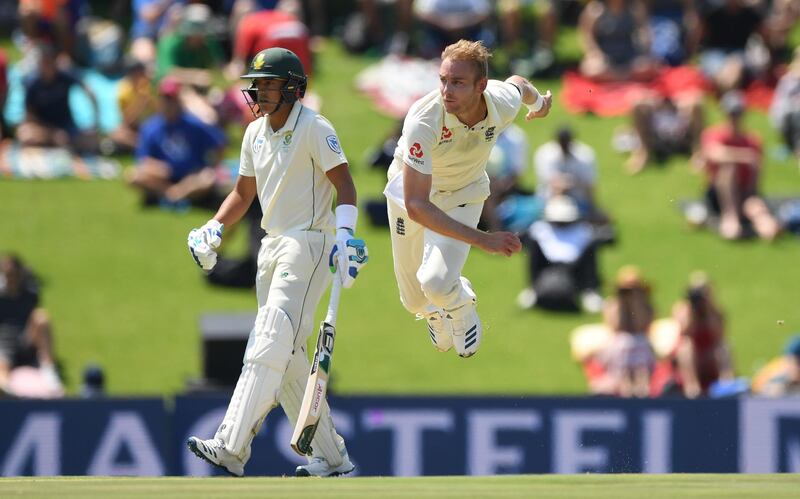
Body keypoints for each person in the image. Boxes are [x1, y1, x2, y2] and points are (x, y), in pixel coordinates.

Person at [185, 48, 368, 478]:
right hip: (271, 248)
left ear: (291, 87)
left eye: (268, 84)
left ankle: (231, 445)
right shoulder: (253, 134)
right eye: (258, 84)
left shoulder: (315, 127)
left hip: (309, 244)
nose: (259, 91)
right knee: (286, 360)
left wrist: (345, 238)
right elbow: (242, 194)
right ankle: (334, 459)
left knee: (270, 335)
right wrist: (214, 227)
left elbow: (346, 186)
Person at [384, 39, 552, 358]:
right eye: (443, 80)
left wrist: (538, 106)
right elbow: (418, 206)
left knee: (434, 281)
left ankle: (460, 308)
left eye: (458, 83)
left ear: (482, 86)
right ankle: (436, 312)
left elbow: (519, 84)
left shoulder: (499, 103)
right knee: (414, 301)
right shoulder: (424, 120)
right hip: (411, 197)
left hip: (464, 194)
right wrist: (484, 240)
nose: (447, 91)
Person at [127, 76, 227, 209]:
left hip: (191, 176)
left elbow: (220, 143)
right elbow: (143, 160)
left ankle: (171, 196)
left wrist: (213, 165)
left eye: (171, 100)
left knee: (208, 178)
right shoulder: (150, 127)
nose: (168, 104)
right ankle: (175, 195)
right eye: (165, 99)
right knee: (133, 176)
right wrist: (165, 169)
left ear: (178, 101)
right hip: (162, 178)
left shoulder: (194, 123)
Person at [697, 90, 780, 240]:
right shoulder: (714, 134)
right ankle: (731, 216)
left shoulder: (752, 140)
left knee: (757, 210)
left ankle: (764, 224)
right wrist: (743, 156)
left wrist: (752, 195)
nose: (734, 118)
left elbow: (756, 172)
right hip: (718, 192)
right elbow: (714, 154)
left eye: (737, 113)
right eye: (732, 113)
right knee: (730, 166)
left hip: (744, 190)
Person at [517, 195, 603, 313]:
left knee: (590, 250)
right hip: (547, 270)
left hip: (574, 272)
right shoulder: (540, 231)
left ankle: (589, 291)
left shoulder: (583, 231)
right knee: (534, 248)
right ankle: (533, 289)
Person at [17, 43, 100, 154]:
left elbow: (88, 90)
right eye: (43, 62)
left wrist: (94, 122)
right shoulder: (32, 83)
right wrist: (52, 133)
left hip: (66, 126)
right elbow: (30, 116)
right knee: (25, 135)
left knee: (91, 141)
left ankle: (59, 145)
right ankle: (57, 144)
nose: (46, 66)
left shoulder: (65, 76)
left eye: (49, 62)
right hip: (43, 128)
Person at [0, 254, 62, 397]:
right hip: (4, 341)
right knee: (2, 364)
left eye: (14, 274)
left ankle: (49, 370)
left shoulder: (30, 294)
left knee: (41, 317)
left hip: (26, 337)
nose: (12, 278)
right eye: (8, 275)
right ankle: (7, 390)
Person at [670, 271, 734, 398]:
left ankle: (727, 384)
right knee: (686, 347)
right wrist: (692, 311)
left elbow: (718, 334)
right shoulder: (682, 308)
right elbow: (685, 331)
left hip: (710, 355)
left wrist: (708, 309)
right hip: (690, 357)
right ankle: (692, 387)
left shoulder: (715, 310)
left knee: (723, 347)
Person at [598, 266, 656, 397]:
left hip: (640, 346)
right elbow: (616, 326)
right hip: (618, 347)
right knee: (625, 342)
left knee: (638, 341)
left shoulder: (646, 305)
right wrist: (622, 305)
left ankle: (642, 389)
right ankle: (625, 388)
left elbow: (641, 326)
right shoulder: (612, 304)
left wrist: (635, 304)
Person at [534, 126, 605, 222]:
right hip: (549, 200)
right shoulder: (545, 154)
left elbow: (589, 187)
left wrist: (594, 209)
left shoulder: (585, 155)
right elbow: (555, 186)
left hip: (578, 201)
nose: (565, 146)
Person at [578, 0, 660, 82]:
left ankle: (616, 78)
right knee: (592, 70)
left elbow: (644, 31)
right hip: (605, 57)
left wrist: (644, 50)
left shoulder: (635, 7)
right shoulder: (595, 9)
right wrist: (595, 54)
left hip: (630, 55)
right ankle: (623, 78)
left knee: (648, 66)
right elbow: (588, 37)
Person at [626, 93, 704, 174]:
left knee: (694, 103)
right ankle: (644, 154)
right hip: (656, 121)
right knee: (639, 105)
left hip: (680, 121)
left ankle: (698, 152)